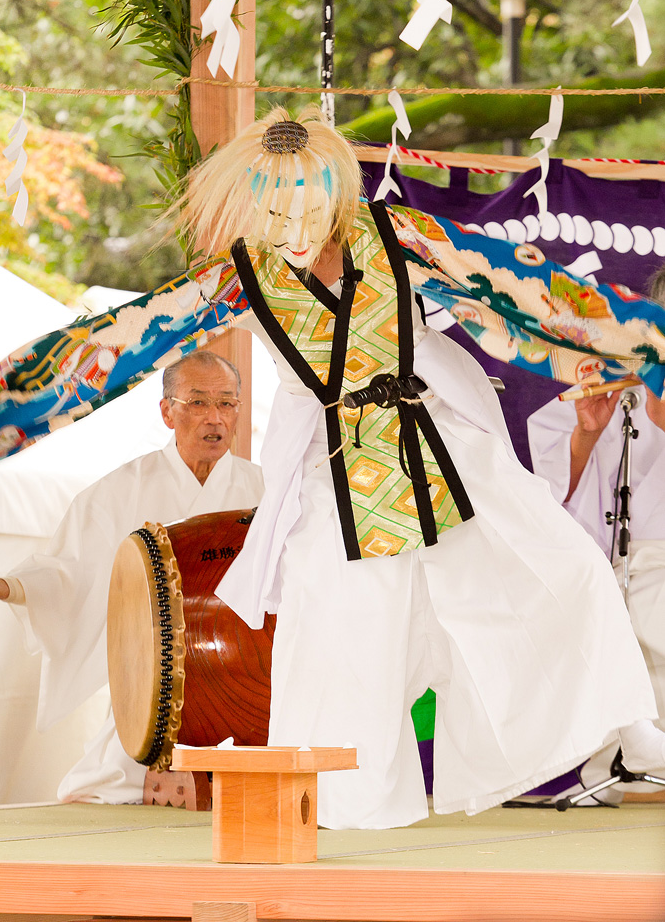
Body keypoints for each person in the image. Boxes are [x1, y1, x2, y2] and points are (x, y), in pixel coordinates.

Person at [171, 104, 665, 830]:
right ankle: (344, 814)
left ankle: (623, 721)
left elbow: (514, 288)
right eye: (275, 210)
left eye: (307, 204)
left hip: (440, 452)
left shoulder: (396, 235)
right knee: (344, 649)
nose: (295, 227)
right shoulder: (238, 278)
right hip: (333, 478)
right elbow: (113, 348)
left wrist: (625, 340)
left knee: (565, 568)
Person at [0, 350, 264, 803]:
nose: (214, 417)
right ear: (167, 412)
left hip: (245, 671)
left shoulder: (265, 488)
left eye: (227, 403)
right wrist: (12, 586)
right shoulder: (122, 489)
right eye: (198, 403)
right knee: (115, 775)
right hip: (156, 675)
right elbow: (69, 573)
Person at [528, 268, 665, 742]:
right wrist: (587, 431)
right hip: (616, 564)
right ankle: (623, 757)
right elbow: (554, 499)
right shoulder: (616, 381)